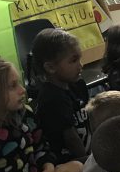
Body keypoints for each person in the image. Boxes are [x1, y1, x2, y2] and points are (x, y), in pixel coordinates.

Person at [26, 27, 90, 162]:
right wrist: (89, 163)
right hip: (71, 161)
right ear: (50, 67)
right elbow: (71, 138)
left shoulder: (77, 84)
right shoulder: (52, 99)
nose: (80, 65)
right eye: (73, 61)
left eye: (79, 59)